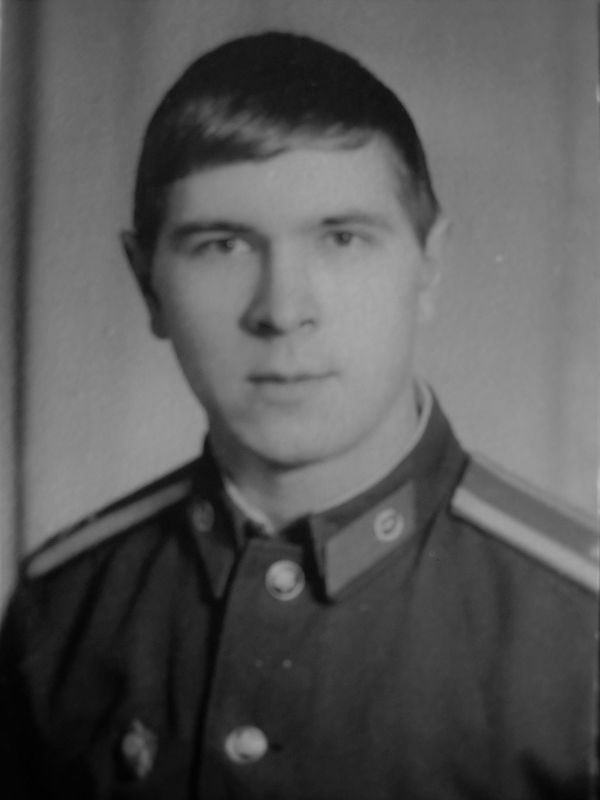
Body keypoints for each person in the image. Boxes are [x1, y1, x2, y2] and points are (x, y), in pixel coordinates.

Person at [0, 31, 597, 800]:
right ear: (148, 284)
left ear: (429, 267)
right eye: (222, 245)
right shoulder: (64, 612)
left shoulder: (579, 625)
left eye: (342, 238)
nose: (283, 310)